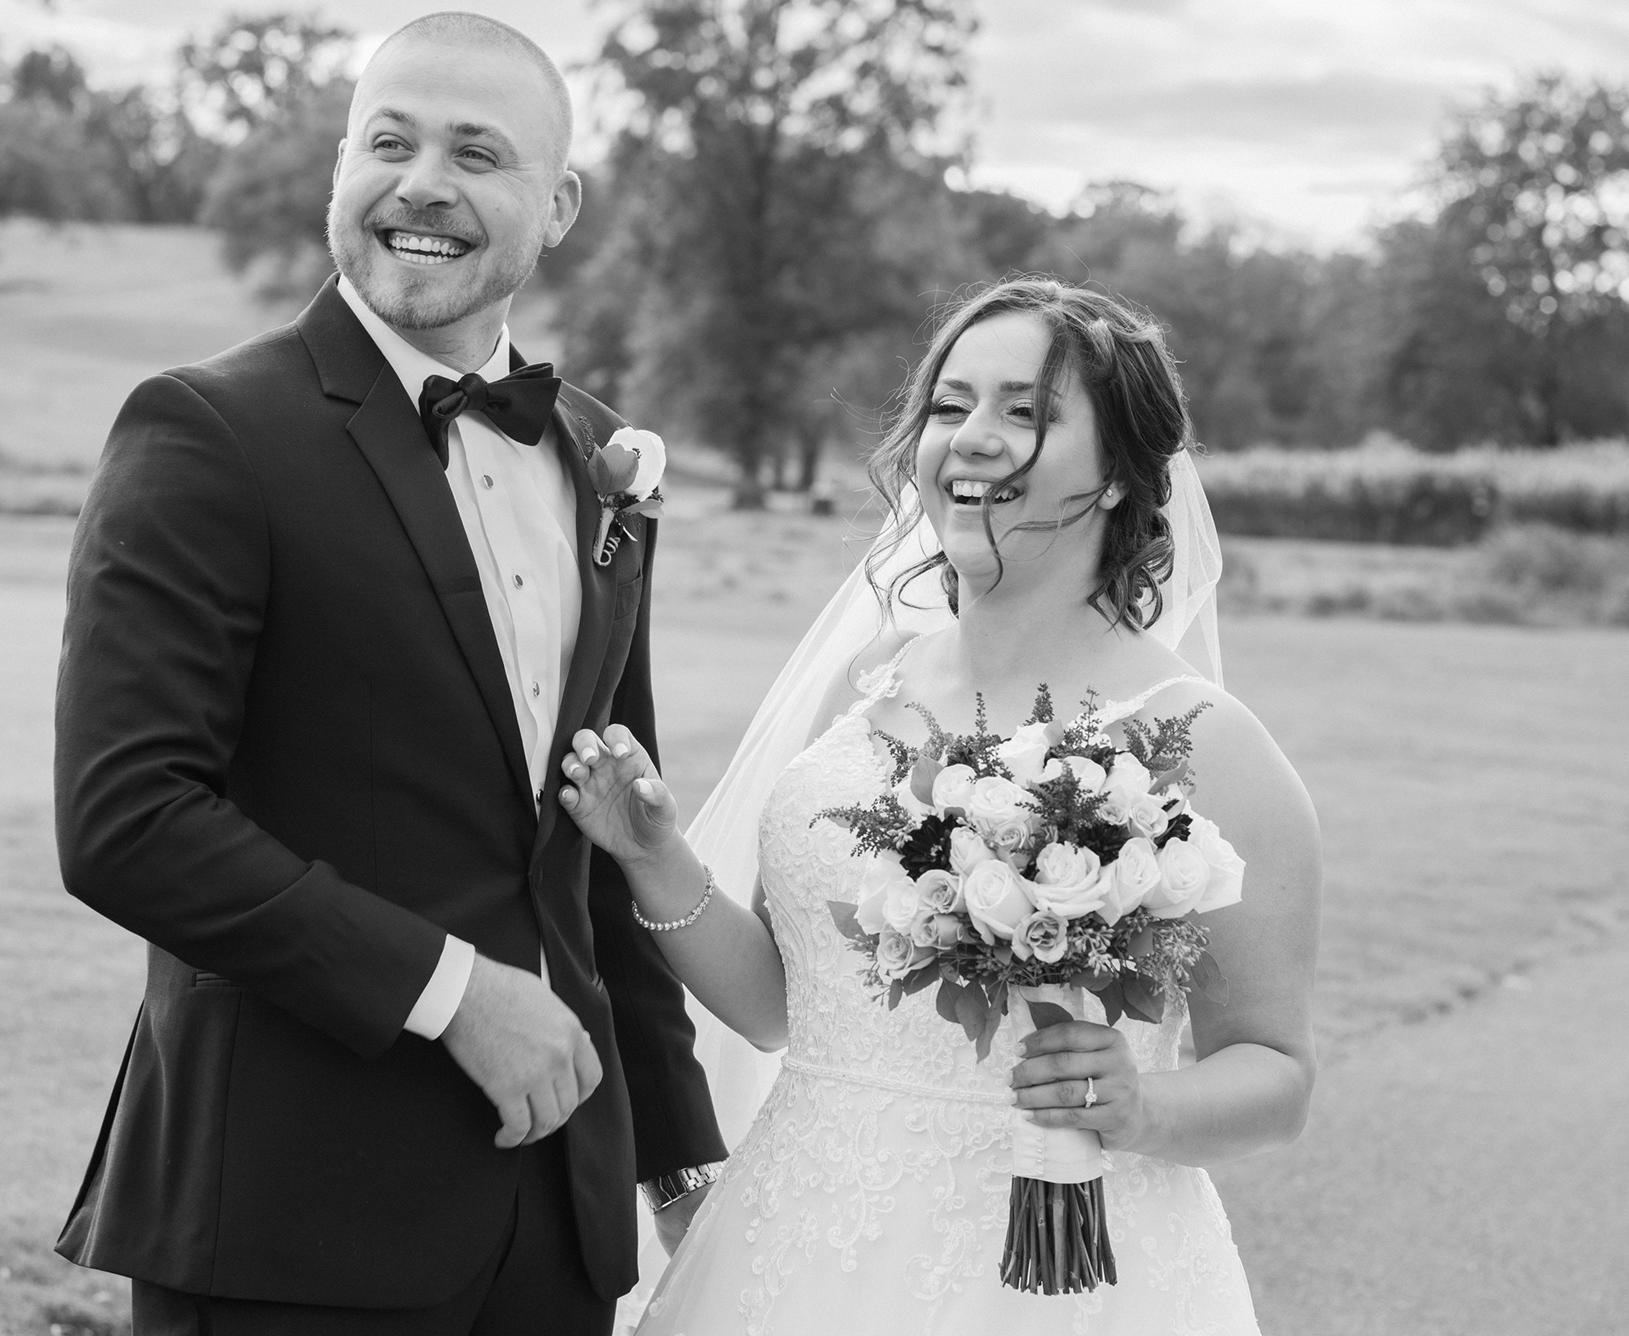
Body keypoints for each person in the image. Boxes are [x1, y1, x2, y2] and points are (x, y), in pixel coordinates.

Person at [51, 12, 726, 1336]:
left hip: (556, 1225)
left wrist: (676, 1159)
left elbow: (605, 830)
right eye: (390, 142)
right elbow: (126, 822)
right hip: (286, 1225)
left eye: (477, 153)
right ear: (342, 167)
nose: (423, 184)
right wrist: (453, 992)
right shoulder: (206, 430)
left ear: (559, 205)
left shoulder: (598, 460)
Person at [560, 278, 1322, 1333]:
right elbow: (784, 1005)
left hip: (1056, 1273)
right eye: (951, 405)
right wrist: (654, 858)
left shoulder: (1205, 741)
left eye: (1026, 411)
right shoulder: (867, 680)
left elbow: (1276, 1073)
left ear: (1117, 476)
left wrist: (1141, 1105)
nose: (972, 437)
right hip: (798, 1234)